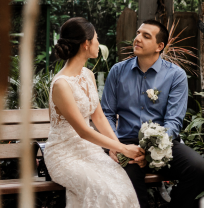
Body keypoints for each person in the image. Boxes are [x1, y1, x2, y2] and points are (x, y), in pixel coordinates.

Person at [101, 19, 204, 208]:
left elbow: (173, 122)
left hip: (162, 143)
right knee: (131, 182)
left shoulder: (176, 75)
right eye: (138, 33)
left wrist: (152, 150)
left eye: (145, 36)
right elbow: (107, 113)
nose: (137, 39)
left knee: (197, 167)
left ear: (160, 46)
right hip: (126, 144)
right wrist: (115, 145)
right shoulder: (117, 71)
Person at [44, 17, 142, 208]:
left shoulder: (88, 74)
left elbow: (97, 116)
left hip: (89, 150)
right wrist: (124, 148)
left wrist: (115, 146)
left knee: (123, 187)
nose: (99, 42)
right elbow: (84, 131)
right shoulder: (61, 85)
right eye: (96, 38)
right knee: (103, 192)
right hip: (64, 154)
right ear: (86, 43)